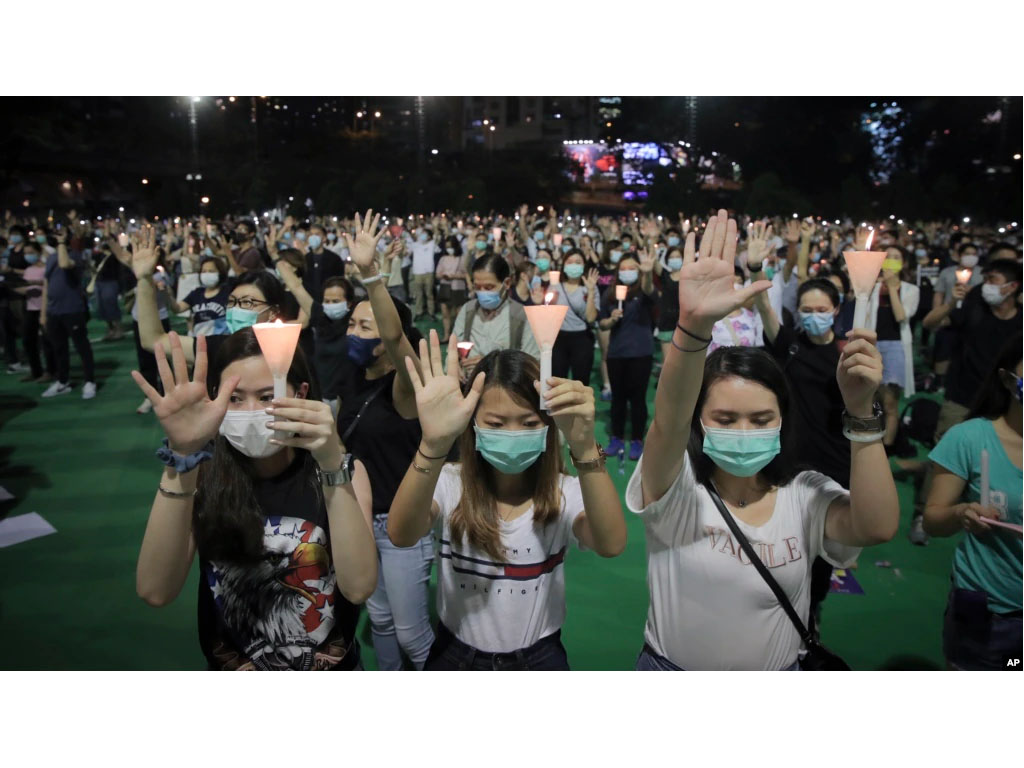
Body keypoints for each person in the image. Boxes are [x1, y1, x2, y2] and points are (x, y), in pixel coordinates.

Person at [626, 210, 898, 671]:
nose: (743, 431)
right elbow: (667, 421)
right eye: (725, 418)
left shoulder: (806, 492)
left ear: (782, 421)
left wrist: (859, 411)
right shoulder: (674, 487)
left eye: (761, 418)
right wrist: (691, 330)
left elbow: (875, 527)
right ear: (700, 421)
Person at [132, 329, 377, 670]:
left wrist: (332, 462)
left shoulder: (343, 472)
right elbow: (155, 590)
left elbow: (359, 587)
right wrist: (183, 455)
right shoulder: (200, 475)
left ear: (301, 393)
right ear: (215, 400)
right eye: (235, 398)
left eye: (266, 397)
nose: (251, 412)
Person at [387, 333, 627, 670]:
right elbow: (401, 532)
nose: (513, 434)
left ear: (548, 426)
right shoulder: (451, 483)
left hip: (538, 657)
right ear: (473, 424)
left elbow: (611, 542)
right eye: (496, 424)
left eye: (529, 423)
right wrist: (432, 445)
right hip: (454, 654)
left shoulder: (563, 491)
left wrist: (585, 448)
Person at [337, 211, 435, 670]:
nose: (350, 333)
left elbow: (396, 337)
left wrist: (374, 277)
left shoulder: (404, 385)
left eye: (363, 327)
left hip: (400, 527)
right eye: (351, 324)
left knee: (414, 636)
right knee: (378, 620)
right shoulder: (352, 378)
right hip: (358, 519)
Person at [924, 335, 1022, 670]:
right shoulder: (969, 438)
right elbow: (932, 521)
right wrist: (961, 512)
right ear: (1009, 379)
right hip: (990, 616)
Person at [910, 259, 1022, 544]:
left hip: (1004, 402)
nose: (987, 286)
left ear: (1012, 287)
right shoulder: (973, 308)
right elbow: (929, 323)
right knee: (945, 455)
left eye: (993, 279)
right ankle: (925, 514)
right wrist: (950, 302)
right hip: (961, 394)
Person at [132, 225, 297, 369]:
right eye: (232, 302)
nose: (237, 309)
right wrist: (144, 279)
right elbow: (153, 340)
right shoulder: (218, 348)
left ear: (273, 312)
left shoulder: (290, 356)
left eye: (247, 302)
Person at [276, 260, 355, 419]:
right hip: (321, 397)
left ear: (349, 303)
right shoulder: (320, 317)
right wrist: (277, 258)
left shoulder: (355, 321)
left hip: (347, 397)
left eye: (336, 301)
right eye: (327, 301)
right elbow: (297, 288)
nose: (330, 305)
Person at [597, 250, 657, 461]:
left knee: (638, 398)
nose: (627, 272)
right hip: (617, 353)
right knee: (618, 399)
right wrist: (611, 320)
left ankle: (638, 439)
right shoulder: (610, 294)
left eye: (632, 268)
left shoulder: (644, 292)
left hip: (641, 352)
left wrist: (648, 274)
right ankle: (617, 437)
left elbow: (651, 291)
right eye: (623, 268)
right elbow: (601, 323)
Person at [453, 253, 541, 380]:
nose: (482, 292)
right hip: (468, 385)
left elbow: (532, 363)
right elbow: (453, 347)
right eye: (477, 287)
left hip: (505, 390)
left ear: (507, 283)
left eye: (489, 287)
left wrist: (491, 365)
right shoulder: (468, 310)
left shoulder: (521, 315)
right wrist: (454, 366)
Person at [865, 246, 920, 447]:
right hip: (874, 345)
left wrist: (892, 287)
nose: (892, 261)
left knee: (890, 403)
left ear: (904, 263)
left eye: (897, 257)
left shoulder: (912, 290)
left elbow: (901, 316)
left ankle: (887, 447)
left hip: (896, 347)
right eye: (888, 257)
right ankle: (870, 441)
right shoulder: (873, 287)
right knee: (871, 398)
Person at [41, 230, 97, 400]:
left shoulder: (76, 256)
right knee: (59, 348)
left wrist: (62, 244)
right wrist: (43, 313)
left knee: (82, 346)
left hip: (72, 310)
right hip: (54, 312)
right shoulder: (50, 259)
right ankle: (62, 380)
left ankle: (90, 381)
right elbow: (46, 285)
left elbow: (65, 264)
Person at [550, 251, 598, 386]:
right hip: (559, 338)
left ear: (584, 266)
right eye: (569, 262)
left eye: (578, 262)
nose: (573, 266)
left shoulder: (590, 288)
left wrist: (591, 291)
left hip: (582, 339)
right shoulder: (555, 286)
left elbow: (590, 318)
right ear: (564, 265)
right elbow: (548, 313)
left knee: (581, 381)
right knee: (557, 381)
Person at [12, 239, 55, 383]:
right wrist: (12, 287)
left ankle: (51, 371)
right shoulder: (29, 270)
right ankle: (36, 370)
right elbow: (26, 289)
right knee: (28, 340)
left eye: (31, 253)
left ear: (38, 252)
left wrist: (36, 284)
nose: (28, 256)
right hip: (31, 309)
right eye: (26, 253)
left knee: (47, 341)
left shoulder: (46, 268)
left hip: (45, 309)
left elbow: (50, 287)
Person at [165, 256, 231, 337]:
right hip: (200, 339)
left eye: (211, 271)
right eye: (204, 271)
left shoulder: (228, 293)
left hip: (221, 339)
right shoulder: (197, 293)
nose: (207, 274)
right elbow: (178, 309)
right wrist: (169, 295)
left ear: (220, 273)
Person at [707, 267, 765, 354]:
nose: (736, 286)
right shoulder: (711, 316)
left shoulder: (750, 316)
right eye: (733, 282)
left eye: (740, 282)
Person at [435, 236, 468, 338]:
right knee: (445, 313)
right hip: (445, 288)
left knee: (458, 314)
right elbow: (437, 274)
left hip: (458, 288)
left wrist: (454, 276)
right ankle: (446, 335)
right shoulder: (443, 258)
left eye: (451, 246)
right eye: (447, 247)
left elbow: (466, 274)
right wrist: (443, 275)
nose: (449, 249)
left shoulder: (462, 259)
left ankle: (457, 335)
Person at [408, 225, 439, 320]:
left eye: (425, 234)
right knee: (419, 293)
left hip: (429, 272)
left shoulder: (432, 244)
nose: (422, 235)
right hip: (417, 272)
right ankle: (419, 312)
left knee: (429, 293)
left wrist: (435, 226)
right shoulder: (415, 245)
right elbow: (407, 253)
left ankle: (431, 312)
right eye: (421, 234)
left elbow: (437, 237)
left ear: (429, 236)